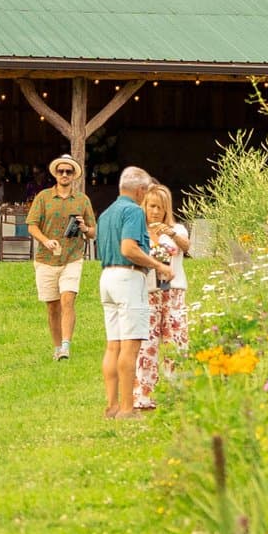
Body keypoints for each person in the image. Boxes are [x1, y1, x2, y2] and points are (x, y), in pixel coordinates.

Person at [92, 167, 165, 418]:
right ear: (141, 190)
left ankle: (111, 406)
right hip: (128, 276)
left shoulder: (106, 213)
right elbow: (129, 248)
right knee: (130, 347)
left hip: (107, 277)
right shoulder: (133, 210)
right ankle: (127, 408)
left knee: (113, 346)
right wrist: (157, 264)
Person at [26, 155, 95, 360]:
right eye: (61, 171)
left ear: (74, 175)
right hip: (46, 258)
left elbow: (92, 232)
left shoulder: (82, 200)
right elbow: (32, 225)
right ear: (55, 174)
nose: (65, 175)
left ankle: (66, 346)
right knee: (52, 306)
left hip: (72, 257)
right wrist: (46, 240)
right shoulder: (43, 197)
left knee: (68, 299)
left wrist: (84, 228)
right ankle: (57, 347)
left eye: (69, 172)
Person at [134, 182, 190, 407]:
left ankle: (175, 392)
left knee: (175, 341)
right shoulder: (137, 231)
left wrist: (172, 234)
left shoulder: (177, 230)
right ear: (144, 206)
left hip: (174, 292)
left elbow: (187, 247)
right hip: (149, 292)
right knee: (147, 343)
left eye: (160, 207)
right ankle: (144, 394)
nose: (155, 211)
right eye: (152, 206)